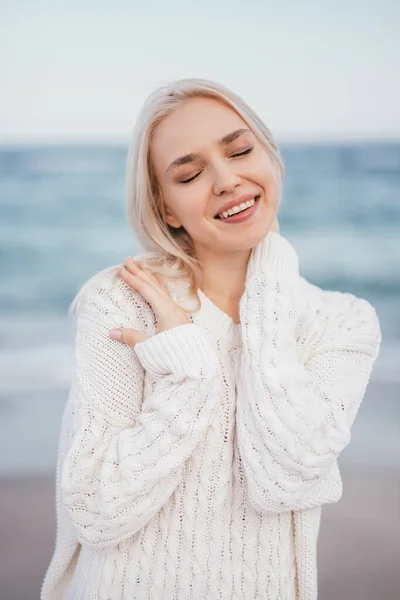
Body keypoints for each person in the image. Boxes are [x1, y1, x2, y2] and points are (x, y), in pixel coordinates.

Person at [40, 78, 381, 600]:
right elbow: (95, 509)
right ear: (167, 209)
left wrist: (267, 285)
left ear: (271, 156)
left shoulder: (343, 323)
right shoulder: (122, 301)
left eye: (241, 150)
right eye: (191, 173)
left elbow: (284, 474)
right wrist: (188, 372)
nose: (226, 180)